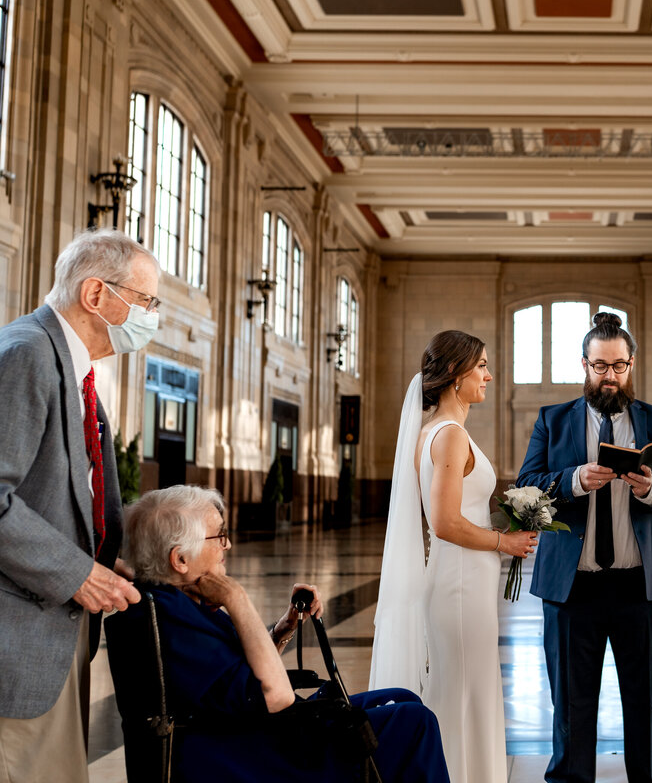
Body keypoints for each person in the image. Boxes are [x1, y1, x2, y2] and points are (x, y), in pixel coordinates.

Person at [104, 485, 450, 782]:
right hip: (253, 754)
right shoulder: (174, 618)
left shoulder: (174, 603)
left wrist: (281, 630)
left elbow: (237, 680)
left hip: (252, 732)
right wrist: (237, 600)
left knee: (405, 698)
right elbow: (276, 697)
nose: (227, 545)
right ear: (180, 559)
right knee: (414, 722)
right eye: (219, 535)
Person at [517, 312, 652, 783]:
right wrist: (573, 480)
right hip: (570, 588)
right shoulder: (552, 420)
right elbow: (525, 489)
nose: (610, 377)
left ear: (631, 365)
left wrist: (651, 490)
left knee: (648, 704)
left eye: (619, 366)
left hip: (642, 588)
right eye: (600, 366)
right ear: (584, 364)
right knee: (572, 705)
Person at [0, 228, 157, 783]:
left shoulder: (72, 365)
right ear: (96, 295)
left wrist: (101, 555)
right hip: (20, 626)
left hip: (56, 622)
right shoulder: (27, 355)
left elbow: (59, 488)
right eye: (144, 301)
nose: (149, 317)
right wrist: (76, 571)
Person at [369, 330, 538, 783]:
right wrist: (507, 542)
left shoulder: (439, 431)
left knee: (469, 692)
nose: (488, 374)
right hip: (459, 585)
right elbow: (443, 522)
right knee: (461, 694)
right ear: (453, 374)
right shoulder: (448, 436)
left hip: (465, 582)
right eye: (480, 365)